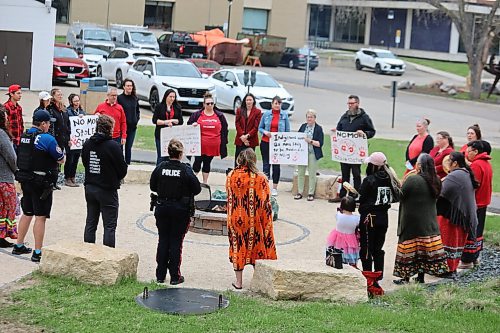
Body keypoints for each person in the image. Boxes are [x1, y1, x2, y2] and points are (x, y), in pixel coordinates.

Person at [12, 110, 65, 262]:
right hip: (41, 183)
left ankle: (19, 245)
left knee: (27, 213)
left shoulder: (25, 136)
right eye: (48, 123)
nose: (49, 125)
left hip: (25, 180)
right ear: (43, 124)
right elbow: (60, 159)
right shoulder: (47, 139)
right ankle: (37, 252)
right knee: (40, 217)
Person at [150, 139, 201, 285]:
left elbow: (153, 186)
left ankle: (160, 275)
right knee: (176, 242)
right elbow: (197, 189)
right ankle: (174, 276)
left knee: (163, 240)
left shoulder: (160, 167)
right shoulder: (185, 170)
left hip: (162, 207)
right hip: (180, 210)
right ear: (180, 154)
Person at [393, 154, 448, 284]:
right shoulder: (436, 180)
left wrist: (398, 182)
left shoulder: (413, 180)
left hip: (411, 222)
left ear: (419, 166)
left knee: (409, 250)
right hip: (428, 222)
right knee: (422, 251)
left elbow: (400, 195)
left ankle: (406, 278)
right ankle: (420, 277)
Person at [226, 149, 277, 289]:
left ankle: (238, 282)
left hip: (235, 218)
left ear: (239, 160)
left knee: (237, 247)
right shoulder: (260, 178)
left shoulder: (230, 175)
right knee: (257, 247)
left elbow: (230, 197)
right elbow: (264, 201)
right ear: (253, 160)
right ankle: (259, 281)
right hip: (253, 220)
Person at [82, 115, 128, 248]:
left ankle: (87, 251)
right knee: (109, 226)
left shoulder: (87, 143)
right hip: (107, 188)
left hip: (90, 186)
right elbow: (122, 169)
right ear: (110, 129)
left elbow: (86, 162)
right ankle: (107, 255)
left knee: (91, 222)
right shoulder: (113, 146)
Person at [358, 152, 401, 280]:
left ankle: (368, 275)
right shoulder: (390, 178)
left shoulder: (369, 180)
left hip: (369, 218)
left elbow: (362, 197)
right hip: (383, 217)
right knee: (378, 247)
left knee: (366, 248)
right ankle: (378, 273)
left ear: (374, 166)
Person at [437, 152, 478, 275]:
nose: (447, 163)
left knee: (449, 242)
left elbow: (440, 192)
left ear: (455, 163)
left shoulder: (455, 176)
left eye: (449, 160)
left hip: (454, 217)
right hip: (461, 216)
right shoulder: (464, 173)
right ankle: (451, 268)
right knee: (455, 243)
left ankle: (447, 270)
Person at [330, 95, 376, 202]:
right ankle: (342, 194)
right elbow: (339, 128)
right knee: (344, 173)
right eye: (348, 103)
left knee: (356, 174)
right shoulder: (344, 116)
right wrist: (335, 132)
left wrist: (364, 133)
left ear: (357, 104)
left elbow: (372, 131)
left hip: (356, 152)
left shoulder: (364, 118)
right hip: (344, 152)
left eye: (352, 103)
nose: (350, 105)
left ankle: (355, 195)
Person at [460, 140, 493, 269]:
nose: (467, 154)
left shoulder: (476, 165)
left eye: (469, 151)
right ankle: (475, 258)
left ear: (476, 151)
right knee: (478, 231)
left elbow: (472, 186)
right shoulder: (486, 164)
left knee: (470, 232)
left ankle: (467, 260)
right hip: (483, 203)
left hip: (475, 203)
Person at [187, 93, 228, 184]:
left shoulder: (220, 116)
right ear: (204, 104)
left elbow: (225, 130)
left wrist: (224, 143)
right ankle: (192, 181)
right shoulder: (197, 115)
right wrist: (192, 125)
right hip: (199, 144)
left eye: (211, 103)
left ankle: (205, 182)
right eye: (208, 103)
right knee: (197, 162)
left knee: (207, 162)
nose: (210, 105)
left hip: (213, 145)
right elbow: (188, 125)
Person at [258, 96, 290, 196]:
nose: (277, 105)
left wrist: (284, 139)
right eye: (275, 103)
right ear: (272, 104)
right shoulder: (266, 114)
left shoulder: (284, 115)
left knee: (276, 166)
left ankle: (275, 187)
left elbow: (287, 130)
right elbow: (260, 127)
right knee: (266, 165)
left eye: (279, 103)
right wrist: (265, 132)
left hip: (278, 144)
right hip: (266, 141)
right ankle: (265, 185)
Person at [295, 109, 324, 201]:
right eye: (308, 117)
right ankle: (300, 191)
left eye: (311, 117)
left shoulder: (318, 128)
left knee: (312, 173)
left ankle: (311, 193)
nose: (309, 119)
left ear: (315, 118)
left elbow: (320, 143)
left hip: (312, 152)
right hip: (303, 153)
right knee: (301, 172)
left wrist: (310, 141)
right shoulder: (303, 126)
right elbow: (297, 137)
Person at [0, 106, 18, 248]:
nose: (7, 118)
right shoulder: (1, 134)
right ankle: (1, 236)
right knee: (6, 208)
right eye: (5, 116)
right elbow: (11, 157)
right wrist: (16, 170)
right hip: (4, 178)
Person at [152, 89, 183, 165]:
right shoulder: (159, 106)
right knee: (161, 156)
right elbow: (154, 120)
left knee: (170, 156)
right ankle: (159, 172)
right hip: (161, 134)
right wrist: (165, 122)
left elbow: (181, 121)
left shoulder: (177, 107)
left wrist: (174, 120)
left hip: (172, 135)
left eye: (174, 97)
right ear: (166, 96)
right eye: (170, 97)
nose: (172, 99)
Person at [326, 196, 360, 266]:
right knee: (350, 253)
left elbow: (338, 213)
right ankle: (351, 265)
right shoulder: (357, 218)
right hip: (351, 239)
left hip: (338, 238)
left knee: (338, 253)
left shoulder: (338, 215)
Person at [64, 93, 86, 187]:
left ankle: (73, 176)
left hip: (79, 140)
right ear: (71, 102)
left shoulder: (81, 111)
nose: (77, 103)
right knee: (70, 159)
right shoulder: (68, 112)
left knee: (76, 158)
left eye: (78, 100)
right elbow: (66, 126)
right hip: (71, 139)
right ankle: (67, 177)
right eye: (75, 101)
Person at [234, 93, 262, 165]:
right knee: (238, 160)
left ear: (253, 101)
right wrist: (242, 136)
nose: (249, 101)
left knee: (249, 161)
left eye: (250, 100)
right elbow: (237, 124)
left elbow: (256, 127)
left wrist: (247, 136)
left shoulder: (258, 112)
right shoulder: (239, 110)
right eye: (247, 100)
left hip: (251, 140)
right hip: (240, 139)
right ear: (245, 101)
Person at [117, 79, 140, 165]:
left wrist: (136, 120)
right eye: (128, 86)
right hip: (122, 128)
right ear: (124, 87)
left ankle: (127, 164)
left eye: (131, 86)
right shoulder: (119, 98)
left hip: (132, 128)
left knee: (128, 148)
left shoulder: (135, 98)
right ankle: (120, 165)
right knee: (120, 147)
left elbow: (137, 111)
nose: (130, 87)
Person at [4, 84, 24, 152]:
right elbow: (5, 124)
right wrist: (10, 137)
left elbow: (21, 123)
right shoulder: (6, 107)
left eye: (20, 93)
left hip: (18, 140)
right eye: (18, 93)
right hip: (11, 140)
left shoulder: (19, 108)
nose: (20, 95)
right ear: (11, 94)